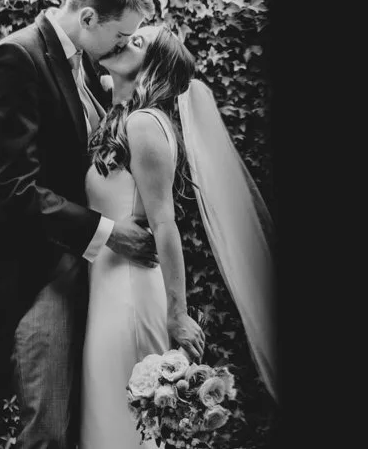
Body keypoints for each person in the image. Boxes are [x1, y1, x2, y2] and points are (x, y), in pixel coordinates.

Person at [0, 0, 159, 449]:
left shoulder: (89, 68)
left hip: (90, 275)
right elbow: (14, 188)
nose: (123, 46)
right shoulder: (19, 56)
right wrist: (108, 232)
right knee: (48, 428)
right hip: (42, 273)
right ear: (89, 18)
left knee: (84, 425)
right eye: (121, 35)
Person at [80, 25, 278, 448]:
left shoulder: (145, 124)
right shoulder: (120, 119)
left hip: (129, 295)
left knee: (121, 432)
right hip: (106, 290)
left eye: (138, 42)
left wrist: (178, 313)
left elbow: (165, 224)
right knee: (108, 426)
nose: (124, 40)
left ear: (152, 67)